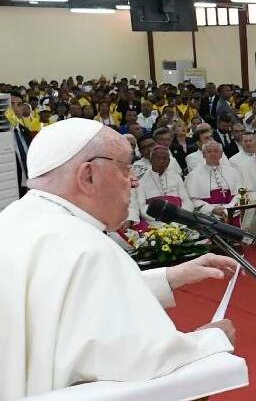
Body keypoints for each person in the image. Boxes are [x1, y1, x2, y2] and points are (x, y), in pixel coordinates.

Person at [0, 118, 238, 399]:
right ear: (88, 176)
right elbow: (139, 366)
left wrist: (170, 276)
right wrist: (212, 341)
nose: (134, 181)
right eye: (125, 169)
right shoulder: (86, 246)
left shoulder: (15, 220)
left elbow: (69, 299)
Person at [135, 145, 194, 223]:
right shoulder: (141, 180)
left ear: (169, 161)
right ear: (151, 160)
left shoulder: (176, 177)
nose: (161, 161)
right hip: (154, 220)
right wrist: (159, 218)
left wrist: (181, 215)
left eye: (165, 158)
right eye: (158, 158)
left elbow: (186, 201)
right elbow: (141, 206)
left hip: (178, 218)